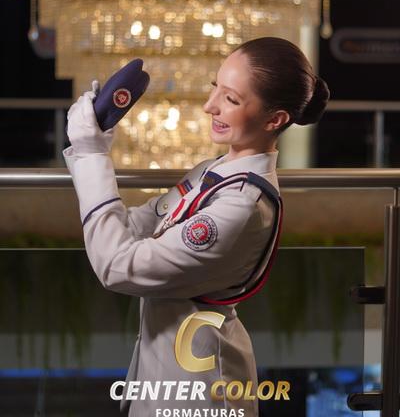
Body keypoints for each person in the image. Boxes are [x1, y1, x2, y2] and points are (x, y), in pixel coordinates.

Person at [64, 36, 330, 417]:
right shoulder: (211, 172)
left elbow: (118, 266)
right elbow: (135, 227)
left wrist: (93, 155)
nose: (210, 106)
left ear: (275, 119)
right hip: (167, 373)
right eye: (214, 87)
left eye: (231, 99)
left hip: (200, 392)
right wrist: (92, 145)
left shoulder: (242, 207)